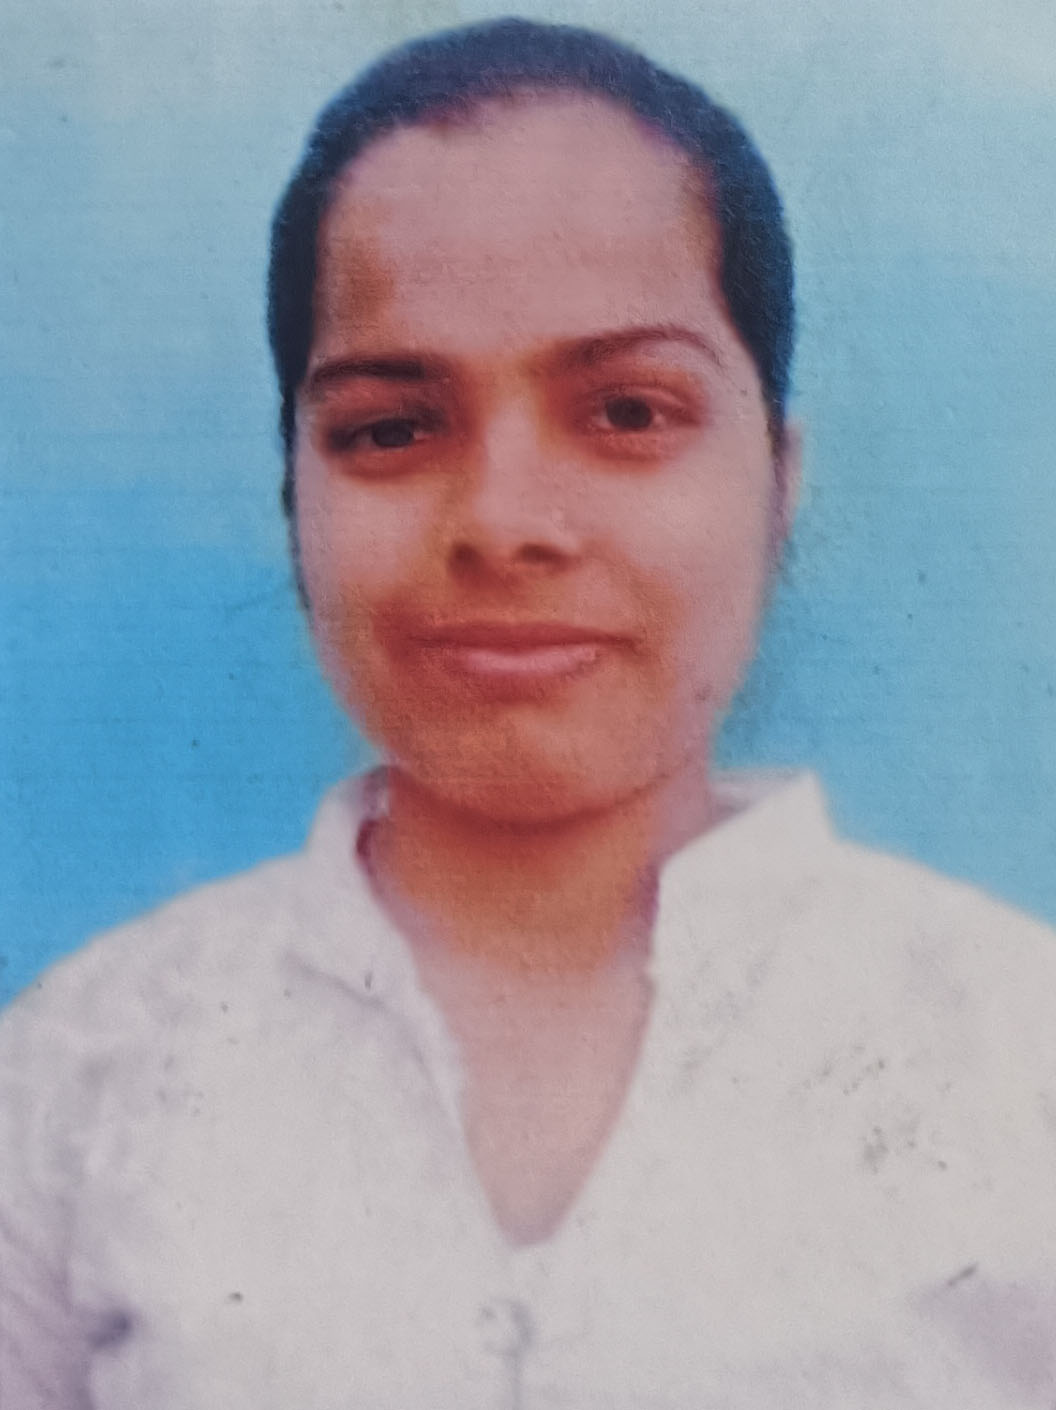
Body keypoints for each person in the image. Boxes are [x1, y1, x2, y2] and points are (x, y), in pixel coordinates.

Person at [2, 17, 1055, 1409]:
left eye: (628, 411)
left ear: (779, 483)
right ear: (294, 494)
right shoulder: (75, 1076)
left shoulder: (1018, 1055)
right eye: (391, 427)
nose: (502, 521)